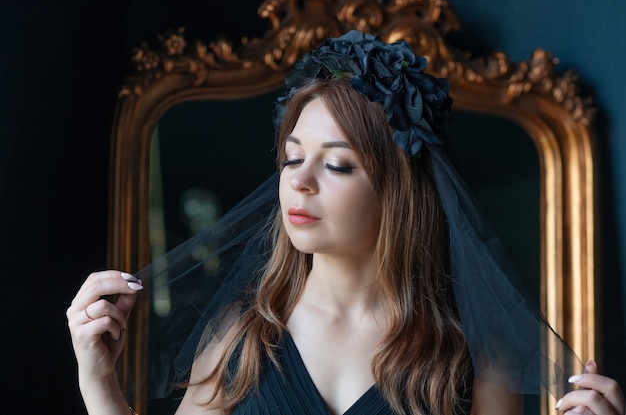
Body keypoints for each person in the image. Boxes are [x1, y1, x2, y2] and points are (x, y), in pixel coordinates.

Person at [67, 31, 625, 415]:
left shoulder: (474, 359)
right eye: (291, 157)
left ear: (397, 190)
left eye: (336, 163)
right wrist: (99, 385)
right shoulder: (244, 336)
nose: (300, 181)